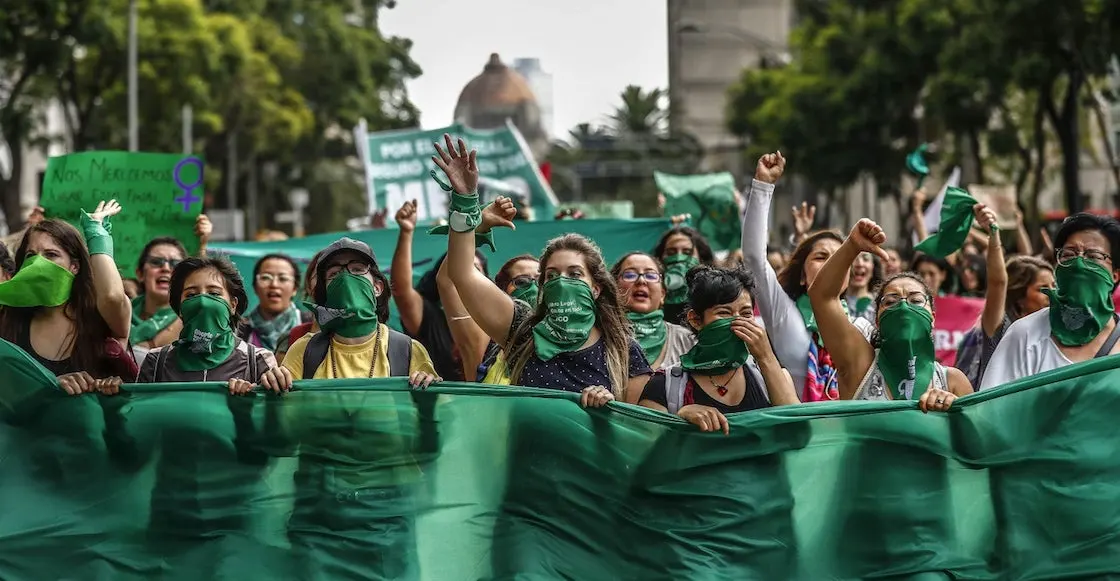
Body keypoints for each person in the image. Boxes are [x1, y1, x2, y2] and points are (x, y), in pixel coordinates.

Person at [436, 134, 651, 406]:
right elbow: (461, 273)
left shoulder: (624, 350)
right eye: (551, 276)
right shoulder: (522, 332)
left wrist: (609, 408)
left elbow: (640, 425)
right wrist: (466, 200)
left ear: (596, 288)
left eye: (575, 274)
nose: (561, 282)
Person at [741, 151, 874, 402]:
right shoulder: (785, 313)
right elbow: (754, 259)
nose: (830, 266)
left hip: (848, 425)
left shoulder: (861, 328)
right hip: (797, 426)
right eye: (821, 257)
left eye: (839, 260)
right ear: (802, 276)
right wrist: (763, 186)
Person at [807, 219, 971, 408]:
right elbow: (823, 296)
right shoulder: (859, 365)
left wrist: (955, 407)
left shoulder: (953, 381)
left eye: (916, 301)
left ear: (933, 317)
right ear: (877, 319)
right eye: (891, 302)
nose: (904, 307)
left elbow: (979, 426)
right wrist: (851, 246)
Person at [639, 266, 798, 433]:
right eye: (724, 313)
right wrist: (679, 418)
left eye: (746, 314)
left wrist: (766, 357)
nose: (737, 321)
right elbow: (645, 445)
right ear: (696, 320)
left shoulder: (770, 376)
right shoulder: (665, 386)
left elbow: (798, 432)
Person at [0, 202, 136, 391]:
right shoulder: (9, 320)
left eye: (51, 255)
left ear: (75, 267)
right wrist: (54, 386)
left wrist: (96, 233)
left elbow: (112, 296)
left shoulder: (99, 317)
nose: (38, 263)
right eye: (31, 255)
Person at [981, 213, 1120, 390]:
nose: (1079, 263)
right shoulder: (1025, 334)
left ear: (1115, 275)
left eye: (1093, 256)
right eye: (1068, 254)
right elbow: (995, 404)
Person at [276, 237, 440, 385]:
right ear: (325, 292)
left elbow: (434, 407)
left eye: (357, 269)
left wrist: (428, 390)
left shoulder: (408, 351)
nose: (346, 278)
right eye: (334, 273)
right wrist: (273, 383)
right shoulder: (303, 350)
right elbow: (283, 406)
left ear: (377, 287)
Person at [135, 257, 285, 388]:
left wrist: (249, 398)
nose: (203, 302)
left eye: (214, 294)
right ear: (180, 308)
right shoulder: (156, 361)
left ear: (233, 305)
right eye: (191, 295)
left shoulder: (258, 361)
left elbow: (272, 408)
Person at [391, 198, 488, 382]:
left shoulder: (497, 321)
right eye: (456, 270)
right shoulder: (430, 318)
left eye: (474, 269)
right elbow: (401, 291)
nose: (464, 276)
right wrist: (406, 232)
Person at [130, 215, 211, 362]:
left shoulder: (192, 321)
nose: (166, 268)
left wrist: (203, 245)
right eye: (156, 262)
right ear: (140, 273)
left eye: (175, 264)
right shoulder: (118, 316)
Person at [456, 253, 541, 384]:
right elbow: (451, 279)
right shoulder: (484, 339)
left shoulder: (567, 337)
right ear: (501, 291)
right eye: (522, 282)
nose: (534, 288)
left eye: (541, 280)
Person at [611, 252, 695, 376]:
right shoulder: (600, 338)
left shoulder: (688, 341)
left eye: (650, 275)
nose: (641, 280)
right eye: (630, 275)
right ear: (614, 288)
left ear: (662, 295)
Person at [240, 253, 311, 352]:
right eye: (266, 277)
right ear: (255, 287)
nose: (274, 284)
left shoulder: (311, 326)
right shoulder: (239, 331)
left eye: (283, 278)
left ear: (295, 288)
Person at [652, 225, 715, 324]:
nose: (678, 258)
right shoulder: (649, 295)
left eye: (687, 252)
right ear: (660, 258)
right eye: (671, 252)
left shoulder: (714, 295)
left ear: (701, 258)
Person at [845, 251, 881, 323]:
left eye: (865, 259)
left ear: (873, 266)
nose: (860, 264)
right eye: (853, 258)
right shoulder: (833, 302)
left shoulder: (882, 303)